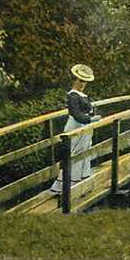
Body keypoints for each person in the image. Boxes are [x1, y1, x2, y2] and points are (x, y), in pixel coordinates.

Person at [51, 64, 100, 193]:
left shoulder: (82, 94)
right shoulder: (72, 95)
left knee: (84, 150)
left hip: (85, 127)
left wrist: (92, 114)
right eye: (80, 81)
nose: (82, 84)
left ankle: (82, 178)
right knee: (74, 152)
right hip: (76, 126)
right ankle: (66, 183)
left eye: (85, 81)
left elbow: (87, 108)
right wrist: (90, 119)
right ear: (74, 80)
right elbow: (75, 114)